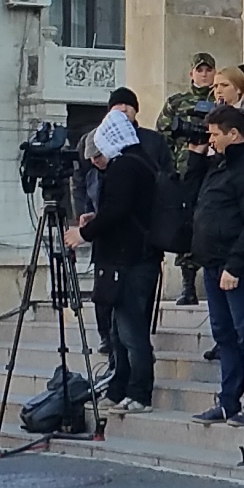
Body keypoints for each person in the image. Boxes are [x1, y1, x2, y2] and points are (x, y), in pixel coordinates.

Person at [189, 105, 244, 425]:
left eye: (214, 135)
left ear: (233, 134)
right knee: (223, 334)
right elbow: (191, 193)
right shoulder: (220, 163)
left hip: (237, 264)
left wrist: (235, 266)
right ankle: (228, 400)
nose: (210, 140)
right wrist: (197, 157)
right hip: (213, 262)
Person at [74, 115, 162, 413]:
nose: (96, 162)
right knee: (117, 329)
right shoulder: (139, 162)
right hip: (126, 257)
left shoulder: (126, 165)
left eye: (98, 154)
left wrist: (84, 233)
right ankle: (118, 386)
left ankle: (139, 391)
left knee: (131, 330)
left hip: (130, 259)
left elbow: (117, 210)